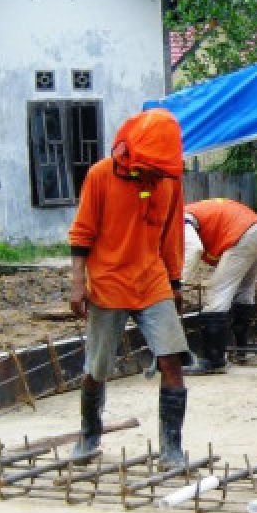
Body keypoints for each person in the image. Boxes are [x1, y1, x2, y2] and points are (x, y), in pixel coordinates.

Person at [68, 108, 191, 469]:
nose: (155, 177)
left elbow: (171, 234)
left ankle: (171, 448)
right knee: (98, 366)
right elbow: (82, 233)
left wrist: (174, 281)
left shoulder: (168, 180)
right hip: (108, 282)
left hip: (151, 281)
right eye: (150, 170)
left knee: (172, 358)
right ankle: (89, 433)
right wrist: (78, 283)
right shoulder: (101, 175)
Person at [182, 198, 257, 374]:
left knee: (217, 294)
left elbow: (194, 248)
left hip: (240, 233)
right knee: (243, 291)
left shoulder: (179, 219)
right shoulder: (191, 211)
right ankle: (241, 350)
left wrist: (180, 282)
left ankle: (214, 361)